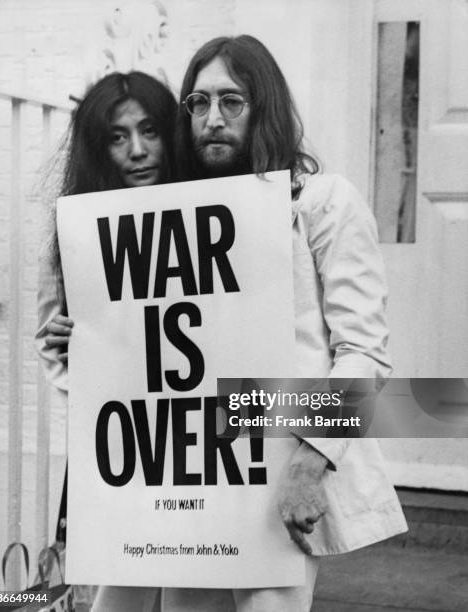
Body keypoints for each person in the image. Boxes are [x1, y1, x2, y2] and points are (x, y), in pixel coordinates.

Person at [169, 34, 408, 611]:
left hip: (277, 462)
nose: (212, 118)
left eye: (232, 100)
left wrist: (309, 462)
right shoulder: (173, 218)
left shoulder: (326, 201)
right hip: (187, 472)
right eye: (198, 103)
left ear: (264, 106)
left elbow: (362, 354)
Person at [35, 70, 177, 612]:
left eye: (150, 131)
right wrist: (69, 346)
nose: (138, 151)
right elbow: (51, 345)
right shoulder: (73, 231)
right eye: (118, 137)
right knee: (118, 591)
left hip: (205, 439)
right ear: (99, 148)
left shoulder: (215, 210)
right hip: (121, 444)